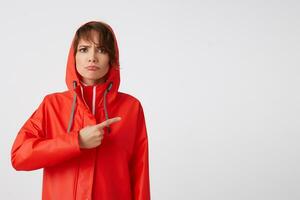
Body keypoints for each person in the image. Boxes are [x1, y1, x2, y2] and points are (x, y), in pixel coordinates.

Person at [11, 21, 150, 200]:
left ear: (112, 58)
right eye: (84, 49)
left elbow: (140, 173)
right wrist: (76, 141)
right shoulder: (52, 104)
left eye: (101, 50)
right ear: (73, 56)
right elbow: (20, 156)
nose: (92, 57)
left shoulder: (131, 107)